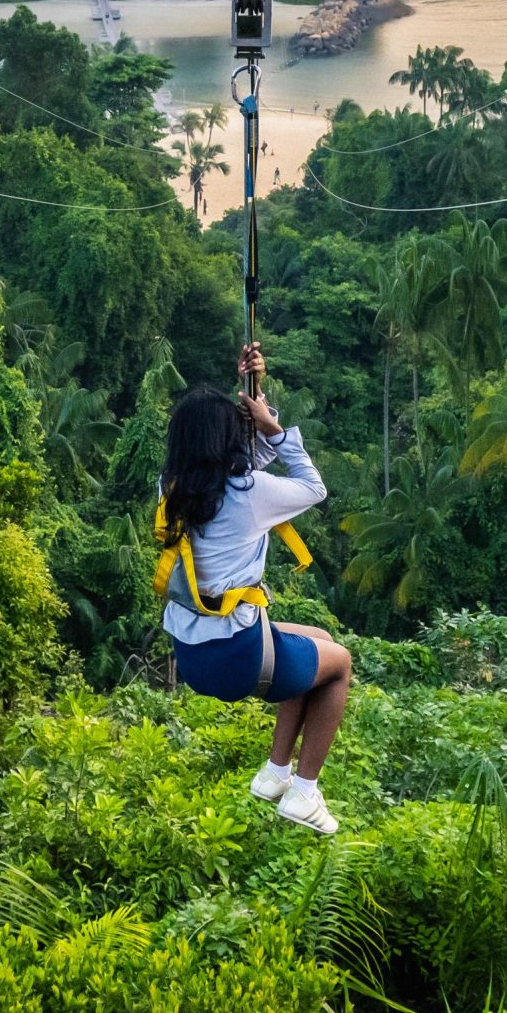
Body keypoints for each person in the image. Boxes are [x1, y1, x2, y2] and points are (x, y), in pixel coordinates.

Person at [158, 344, 352, 835]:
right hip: (239, 657)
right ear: (227, 440)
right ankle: (305, 793)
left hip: (195, 653)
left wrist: (255, 391)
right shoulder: (250, 495)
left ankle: (276, 773)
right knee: (340, 664)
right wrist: (276, 431)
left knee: (317, 643)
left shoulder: (173, 486)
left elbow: (246, 464)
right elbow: (312, 487)